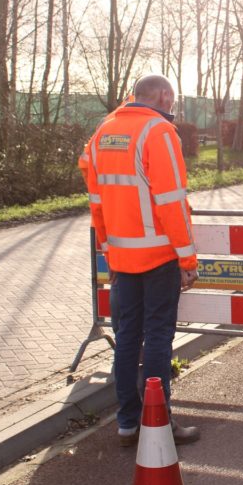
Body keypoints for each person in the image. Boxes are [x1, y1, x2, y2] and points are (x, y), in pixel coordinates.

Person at [78, 73, 201, 447]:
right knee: (159, 338)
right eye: (173, 99)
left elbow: (96, 201)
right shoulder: (159, 132)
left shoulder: (103, 133)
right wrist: (187, 257)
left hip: (121, 258)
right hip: (159, 255)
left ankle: (128, 422)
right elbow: (170, 201)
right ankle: (159, 422)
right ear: (164, 96)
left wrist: (109, 251)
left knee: (127, 337)